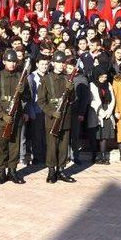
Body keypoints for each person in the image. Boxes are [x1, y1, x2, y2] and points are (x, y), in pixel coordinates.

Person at [0, 49, 29, 184]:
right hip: (1, 118)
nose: (12, 64)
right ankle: (1, 172)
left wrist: (23, 92)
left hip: (16, 117)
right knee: (1, 146)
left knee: (14, 145)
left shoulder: (21, 77)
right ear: (4, 61)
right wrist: (2, 114)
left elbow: (28, 97)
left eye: (14, 61)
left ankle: (12, 170)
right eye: (9, 61)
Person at [37, 51, 77, 183]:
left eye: (63, 62)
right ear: (53, 63)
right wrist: (51, 112)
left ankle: (61, 170)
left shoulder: (68, 78)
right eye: (58, 62)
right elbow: (41, 101)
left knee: (63, 145)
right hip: (52, 118)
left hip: (65, 117)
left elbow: (73, 99)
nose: (61, 65)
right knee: (52, 145)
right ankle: (51, 171)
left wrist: (71, 90)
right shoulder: (46, 79)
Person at [87, 65, 116, 165]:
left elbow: (112, 98)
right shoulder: (92, 85)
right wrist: (100, 112)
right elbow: (92, 100)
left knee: (104, 136)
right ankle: (94, 156)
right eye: (101, 77)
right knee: (95, 135)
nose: (103, 79)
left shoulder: (108, 84)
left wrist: (109, 111)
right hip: (95, 112)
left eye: (105, 77)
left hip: (106, 109)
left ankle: (103, 156)